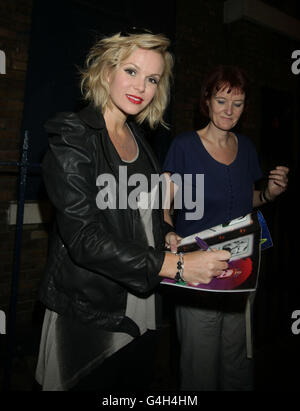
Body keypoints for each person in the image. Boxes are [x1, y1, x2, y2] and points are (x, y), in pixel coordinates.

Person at [35, 30, 230, 391]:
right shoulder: (74, 136)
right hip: (90, 306)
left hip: (140, 296)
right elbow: (84, 240)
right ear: (106, 72)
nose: (141, 86)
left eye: (152, 78)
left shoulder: (140, 140)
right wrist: (179, 266)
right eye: (131, 71)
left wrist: (166, 232)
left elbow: (146, 212)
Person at [163, 65, 289, 391]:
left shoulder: (245, 147)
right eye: (221, 101)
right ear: (207, 101)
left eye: (238, 103)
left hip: (241, 269)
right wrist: (168, 231)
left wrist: (268, 194)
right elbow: (162, 206)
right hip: (198, 272)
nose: (229, 110)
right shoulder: (184, 147)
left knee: (237, 359)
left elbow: (248, 198)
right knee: (200, 366)